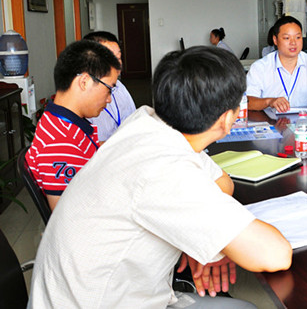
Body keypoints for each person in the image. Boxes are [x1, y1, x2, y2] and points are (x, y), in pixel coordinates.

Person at [29, 46, 292, 307]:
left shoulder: (146, 121)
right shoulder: (166, 170)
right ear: (226, 119)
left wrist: (202, 235)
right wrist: (208, 236)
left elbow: (223, 183)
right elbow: (275, 254)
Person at [25, 40, 120, 210]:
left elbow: (88, 151)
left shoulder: (60, 121)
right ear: (84, 82)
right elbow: (68, 218)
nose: (109, 99)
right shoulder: (60, 144)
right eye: (109, 89)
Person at [247, 15, 307, 112]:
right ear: (275, 40)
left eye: (298, 37)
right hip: (272, 120)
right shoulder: (260, 67)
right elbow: (247, 102)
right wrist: (269, 101)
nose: (293, 43)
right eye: (287, 38)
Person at [83, 31, 136, 142]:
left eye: (119, 57)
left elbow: (133, 119)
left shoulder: (119, 87)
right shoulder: (83, 97)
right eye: (111, 59)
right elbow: (87, 146)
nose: (118, 65)